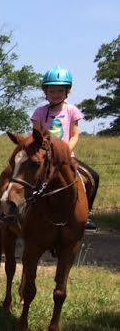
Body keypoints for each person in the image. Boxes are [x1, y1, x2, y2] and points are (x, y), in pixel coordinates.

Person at [31, 66, 100, 230]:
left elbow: (75, 134)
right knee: (28, 177)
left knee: (92, 177)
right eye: (52, 91)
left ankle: (86, 213)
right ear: (45, 91)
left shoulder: (72, 110)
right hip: (44, 156)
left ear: (67, 91)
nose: (55, 94)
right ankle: (24, 211)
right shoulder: (39, 112)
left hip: (66, 156)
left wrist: (66, 150)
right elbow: (36, 134)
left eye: (59, 91)